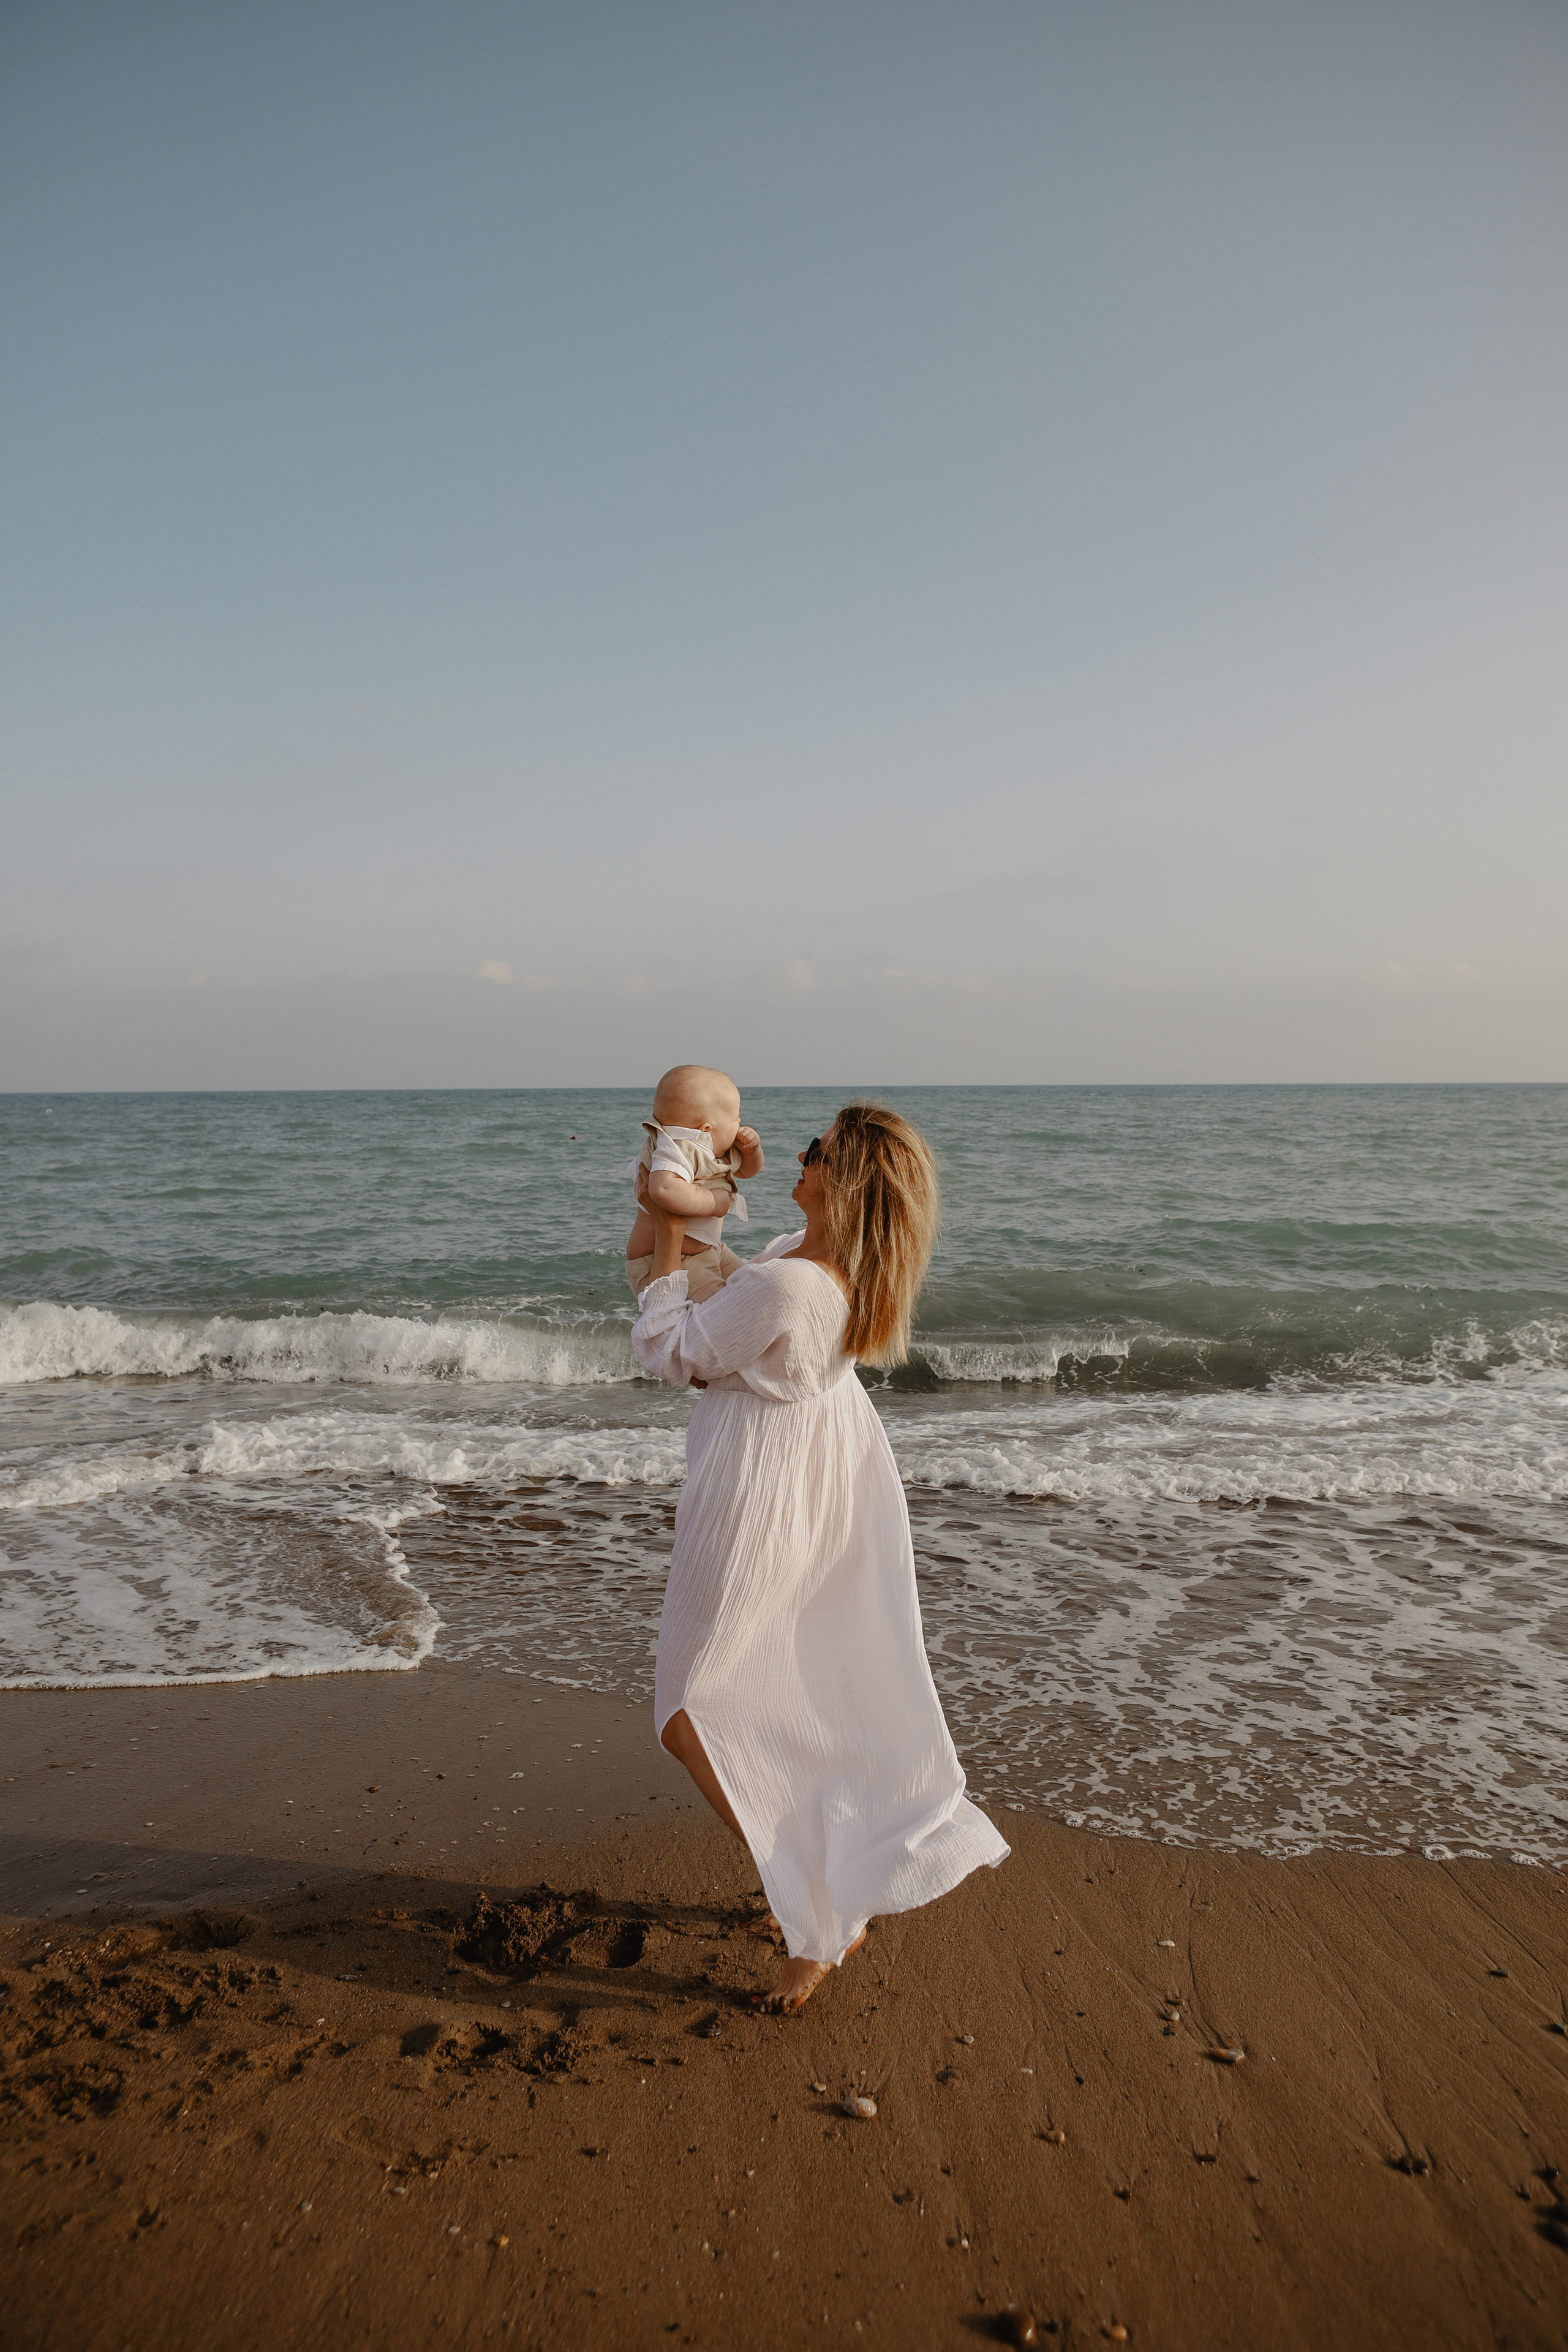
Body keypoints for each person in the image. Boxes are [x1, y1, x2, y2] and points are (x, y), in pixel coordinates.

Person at [631, 1103, 1009, 2013]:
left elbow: (671, 1350)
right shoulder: (810, 1263)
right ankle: (819, 1885)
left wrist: (674, 1223)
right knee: (760, 1691)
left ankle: (820, 1912)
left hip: (760, 1490)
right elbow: (714, 1292)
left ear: (849, 1184)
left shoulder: (798, 1285)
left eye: (819, 1152)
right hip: (802, 1471)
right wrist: (688, 1197)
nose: (800, 1155)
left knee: (691, 1706)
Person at [625, 1064, 764, 1305]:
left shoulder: (711, 1147)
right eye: (735, 1119)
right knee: (724, 1308)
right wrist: (714, 1203)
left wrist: (753, 1151)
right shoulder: (676, 1149)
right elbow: (663, 1189)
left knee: (754, 1289)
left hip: (707, 1251)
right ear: (706, 1129)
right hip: (667, 1261)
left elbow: (745, 1172)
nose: (740, 1124)